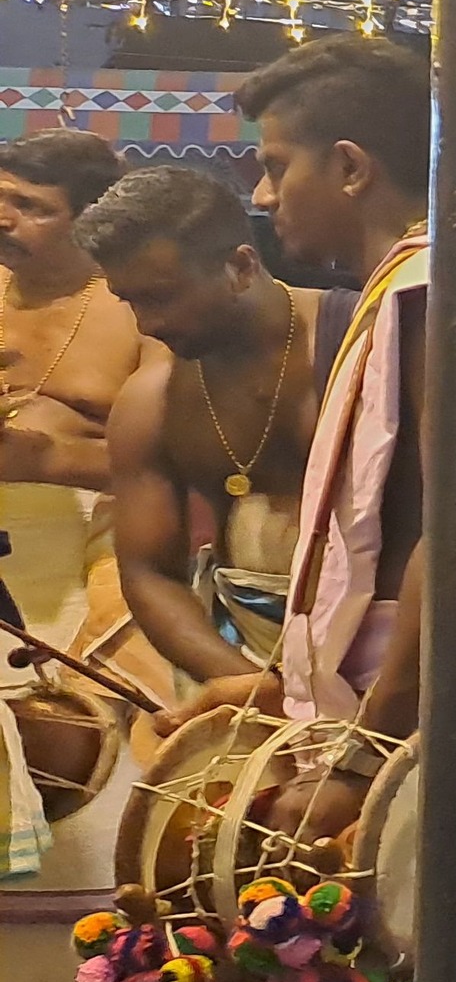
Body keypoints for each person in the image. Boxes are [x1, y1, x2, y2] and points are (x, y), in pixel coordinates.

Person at [162, 36, 434, 857]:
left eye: (278, 165)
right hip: (383, 700)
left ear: (350, 167)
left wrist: (362, 754)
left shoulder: (429, 293)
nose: (265, 192)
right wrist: (282, 687)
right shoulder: (396, 291)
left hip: (412, 722)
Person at [0, 129, 170, 982]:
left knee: (77, 797)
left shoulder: (132, 313)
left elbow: (178, 462)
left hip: (85, 589)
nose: (4, 218)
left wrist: (47, 455)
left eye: (31, 205)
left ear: (89, 219)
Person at [80, 165, 354, 688]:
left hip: (392, 665)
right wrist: (242, 682)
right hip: (246, 657)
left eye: (161, 296)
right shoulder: (151, 399)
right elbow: (147, 572)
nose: (146, 324)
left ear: (241, 266)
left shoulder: (363, 345)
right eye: (129, 300)